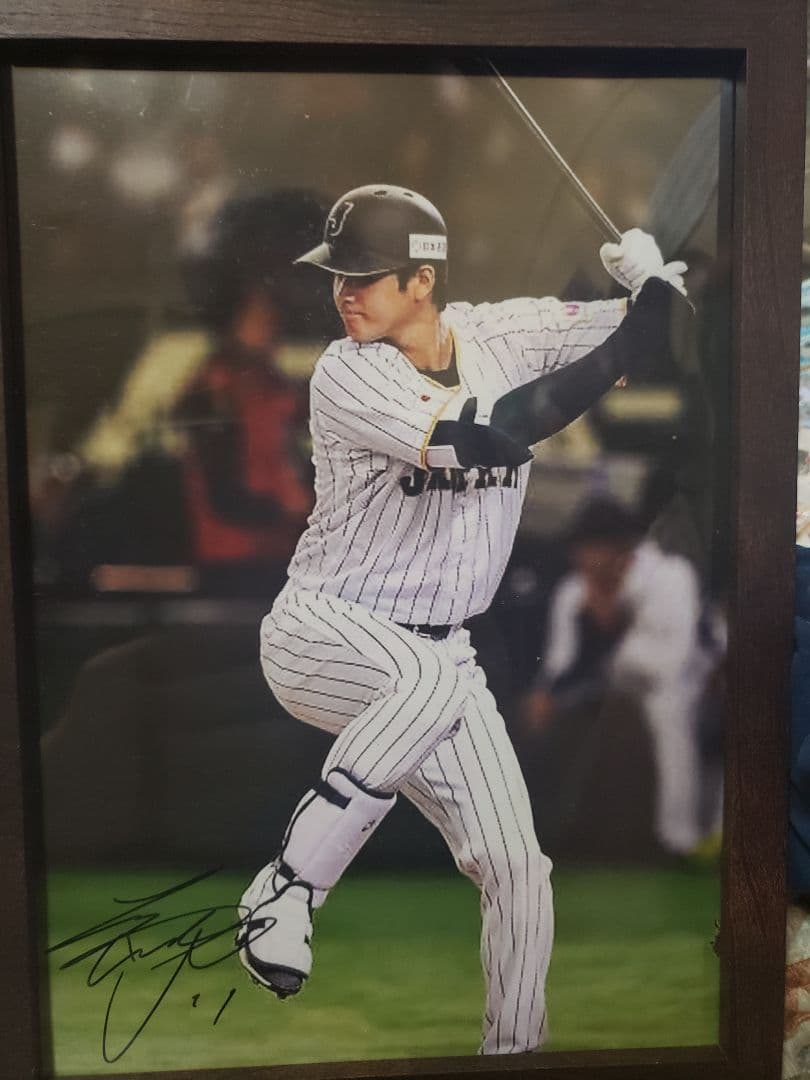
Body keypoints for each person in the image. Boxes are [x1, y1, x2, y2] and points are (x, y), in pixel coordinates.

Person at [235, 183, 689, 1055]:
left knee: (518, 868)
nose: (344, 292)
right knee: (423, 681)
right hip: (324, 630)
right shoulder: (347, 371)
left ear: (423, 279)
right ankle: (287, 889)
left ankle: (514, 1056)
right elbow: (488, 435)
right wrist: (635, 333)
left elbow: (649, 337)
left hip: (442, 656)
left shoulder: (501, 334)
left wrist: (655, 289)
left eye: (366, 275)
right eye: (338, 275)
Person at [521, 495, 724, 858]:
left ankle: (679, 839)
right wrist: (544, 694)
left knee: (671, 713)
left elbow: (670, 664)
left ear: (617, 547)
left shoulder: (669, 574)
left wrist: (609, 621)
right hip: (613, 683)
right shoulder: (574, 590)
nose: (580, 557)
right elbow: (559, 660)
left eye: (589, 547)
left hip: (703, 676)